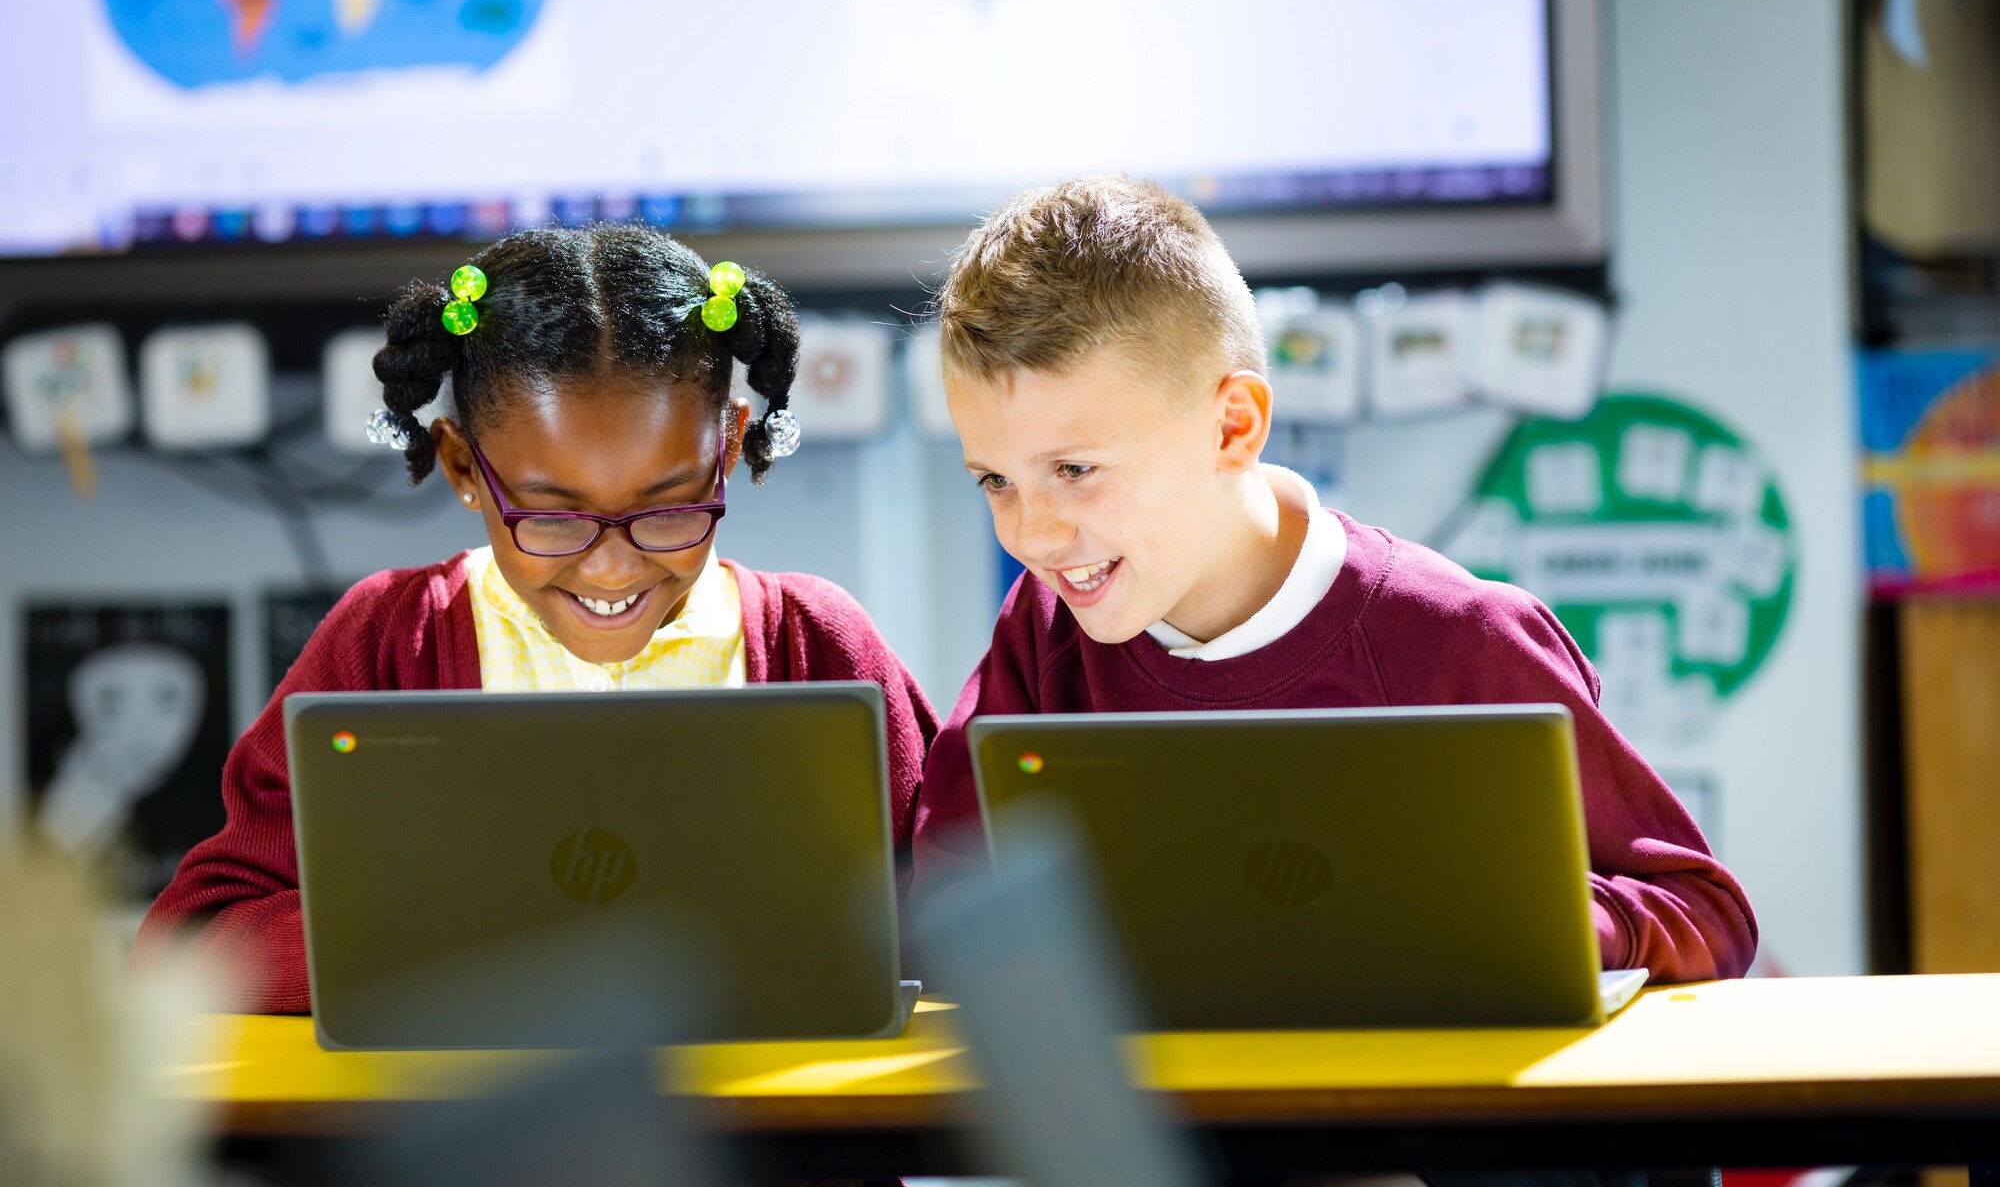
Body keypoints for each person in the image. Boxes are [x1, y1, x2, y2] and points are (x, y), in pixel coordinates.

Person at [912, 176, 1755, 982]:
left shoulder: (1464, 637)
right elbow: (952, 904)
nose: (1031, 532)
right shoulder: (1043, 631)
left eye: (1075, 468)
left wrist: (1519, 922)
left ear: (1233, 427)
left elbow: (1704, 910)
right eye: (995, 481)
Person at [134, 225, 937, 1012]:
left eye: (668, 511)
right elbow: (190, 946)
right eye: (553, 521)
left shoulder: (815, 642)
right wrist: (456, 940)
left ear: (727, 447)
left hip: (770, 1128)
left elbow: (958, 905)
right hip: (470, 1131)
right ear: (461, 468)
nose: (614, 567)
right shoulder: (388, 642)